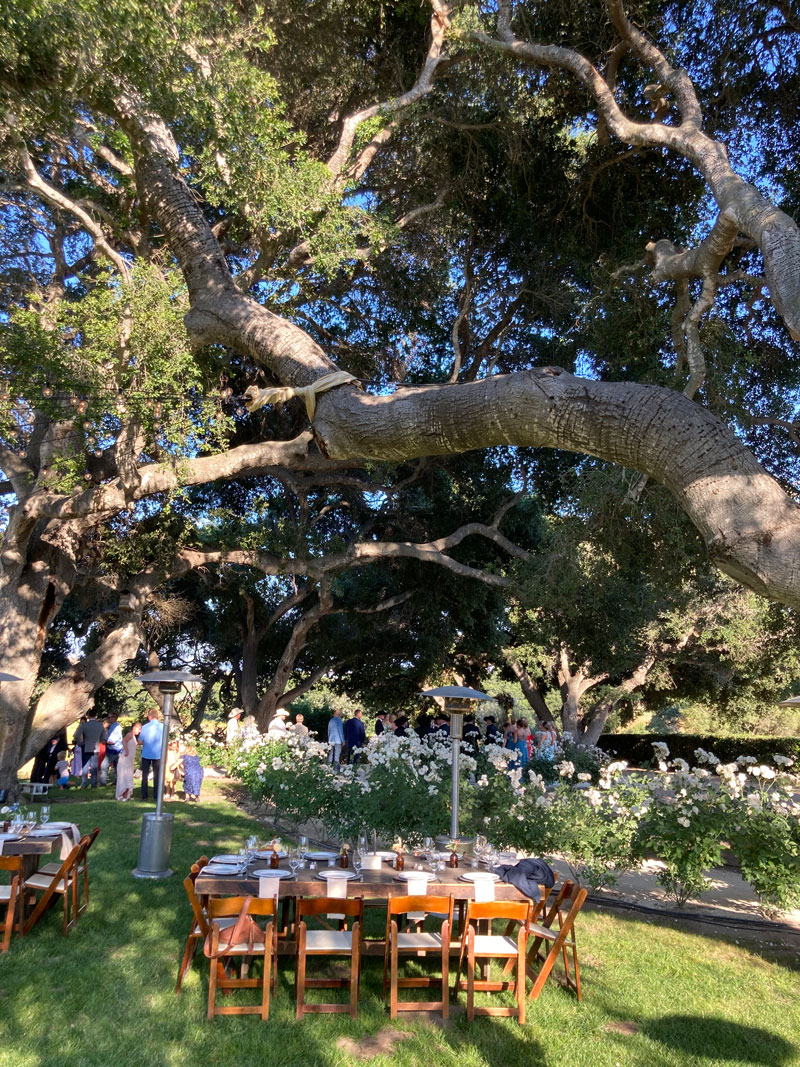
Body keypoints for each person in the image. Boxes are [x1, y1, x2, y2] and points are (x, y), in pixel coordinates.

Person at [75, 710, 108, 788]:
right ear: (96, 715)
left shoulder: (84, 725)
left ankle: (84, 784)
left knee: (85, 767)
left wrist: (80, 743)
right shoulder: (100, 725)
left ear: (88, 716)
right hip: (96, 747)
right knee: (94, 767)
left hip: (86, 746)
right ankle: (94, 784)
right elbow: (103, 738)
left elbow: (76, 735)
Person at [139, 707, 163, 801]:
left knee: (145, 775)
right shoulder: (163, 727)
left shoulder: (145, 727)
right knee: (157, 775)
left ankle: (144, 796)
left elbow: (140, 741)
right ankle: (156, 796)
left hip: (146, 753)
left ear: (149, 717)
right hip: (158, 754)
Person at [115, 722, 141, 801]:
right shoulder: (129, 735)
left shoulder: (133, 737)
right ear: (134, 728)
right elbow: (124, 741)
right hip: (125, 759)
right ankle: (122, 794)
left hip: (130, 760)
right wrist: (126, 750)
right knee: (125, 777)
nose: (139, 731)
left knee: (128, 776)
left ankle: (127, 794)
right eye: (139, 729)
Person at [100, 712, 123, 786]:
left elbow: (113, 741)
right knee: (117, 767)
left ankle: (103, 782)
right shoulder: (112, 726)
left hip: (114, 749)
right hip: (114, 749)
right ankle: (117, 782)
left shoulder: (116, 728)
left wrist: (105, 741)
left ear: (114, 718)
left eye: (109, 717)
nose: (108, 719)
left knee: (104, 765)